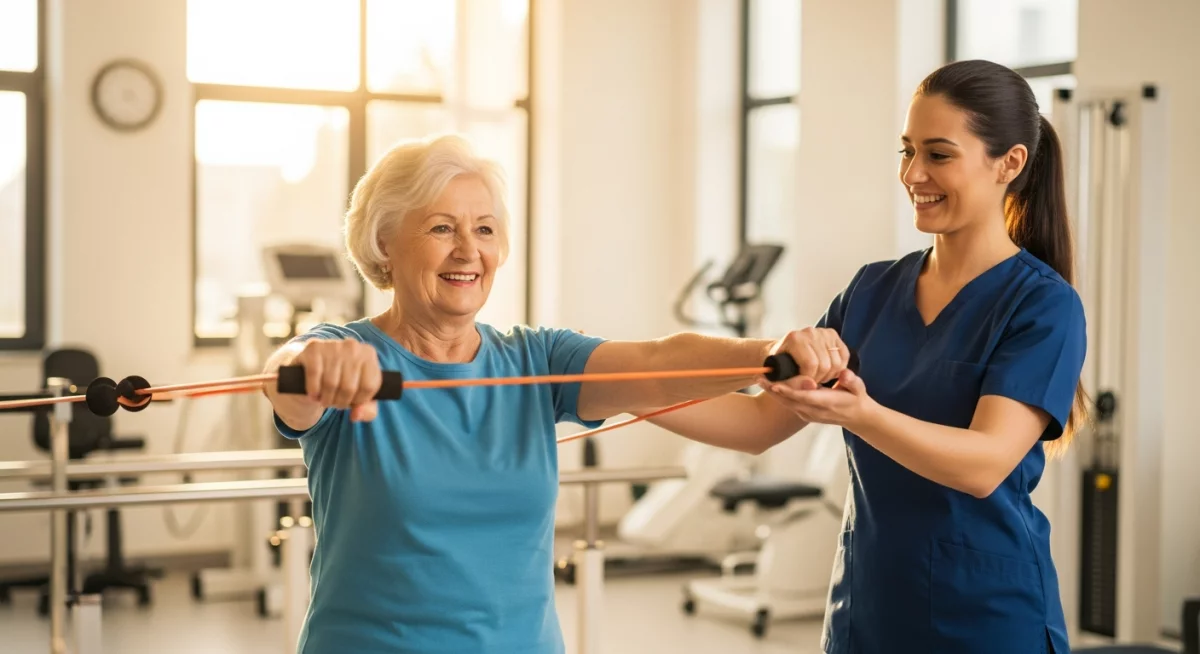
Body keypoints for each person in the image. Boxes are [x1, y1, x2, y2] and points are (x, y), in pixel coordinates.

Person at [260, 133, 837, 653]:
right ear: (385, 241)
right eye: (441, 228)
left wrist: (780, 356)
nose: (468, 250)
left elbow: (676, 375)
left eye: (484, 229)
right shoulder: (344, 354)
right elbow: (286, 378)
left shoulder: (537, 359)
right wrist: (313, 365)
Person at [642, 59, 1088, 654]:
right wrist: (617, 393)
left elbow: (983, 464)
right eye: (907, 151)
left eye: (938, 154)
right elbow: (758, 424)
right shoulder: (871, 290)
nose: (913, 174)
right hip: (869, 611)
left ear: (1009, 163)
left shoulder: (1042, 305)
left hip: (986, 617)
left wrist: (863, 415)